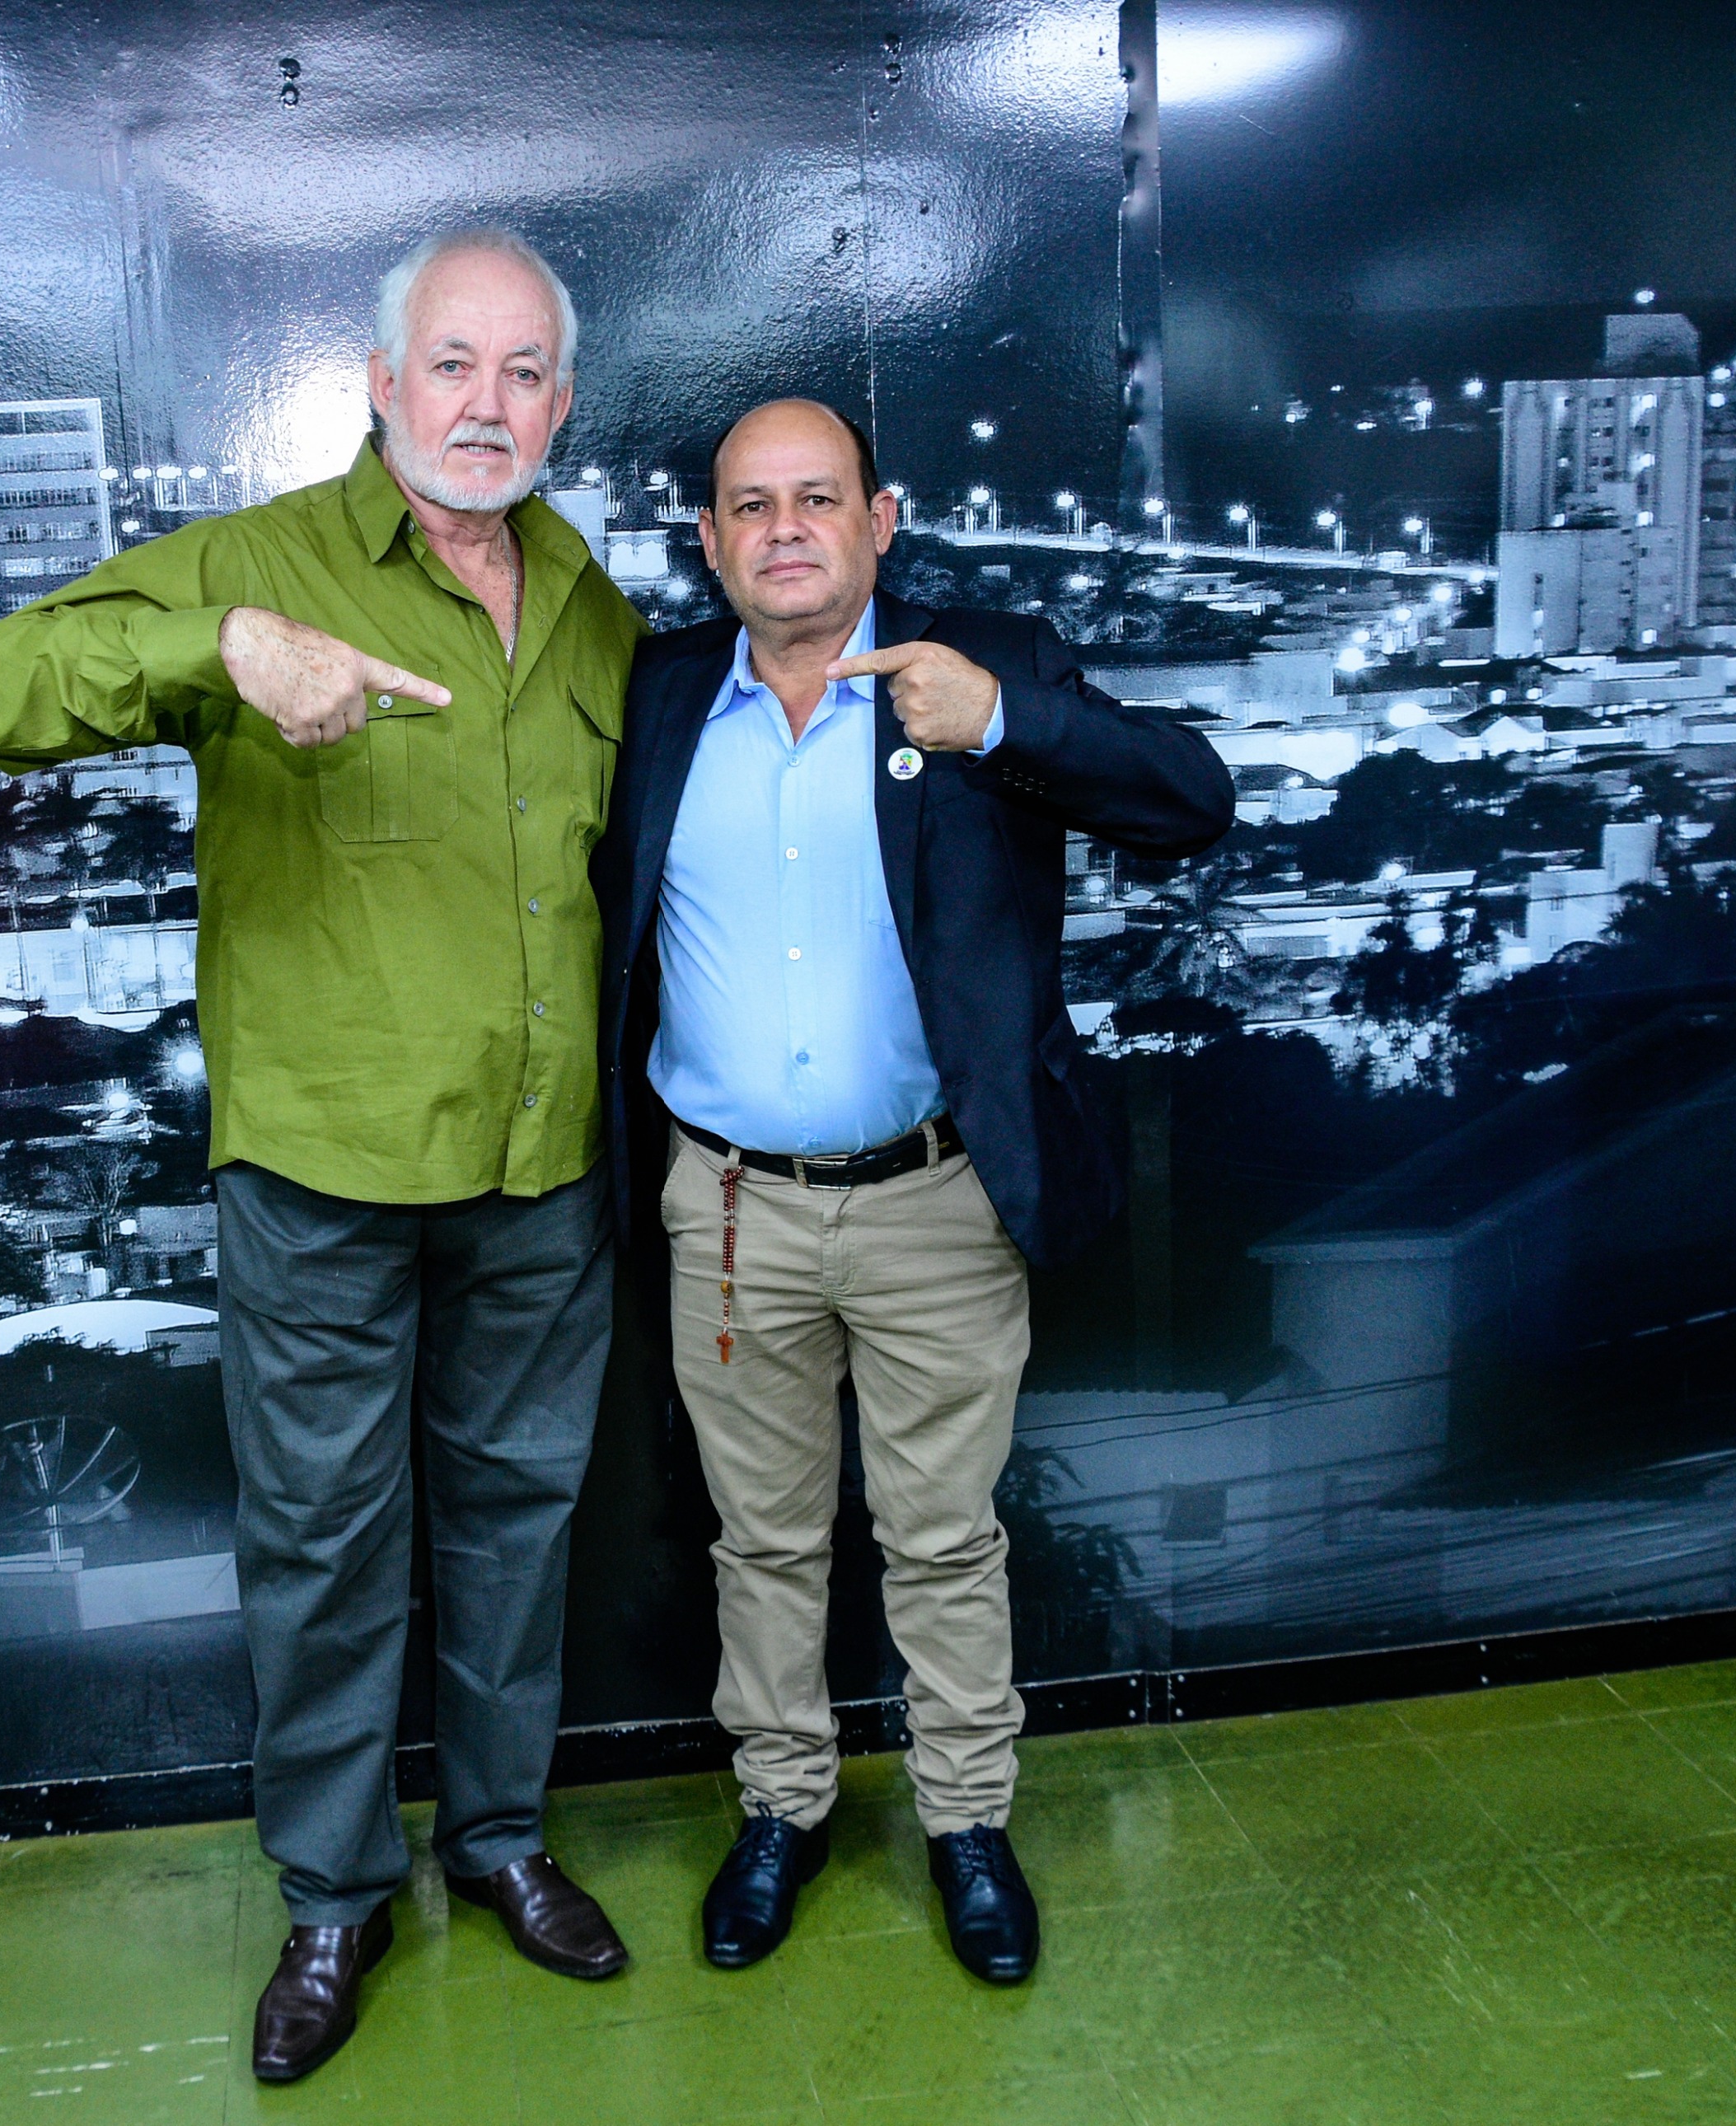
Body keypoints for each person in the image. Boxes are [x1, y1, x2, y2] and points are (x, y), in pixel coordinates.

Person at [0, 227, 644, 2083]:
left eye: (522, 374)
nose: (485, 405)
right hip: (325, 1173)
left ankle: (499, 1841)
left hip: (540, 1165)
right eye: (452, 365)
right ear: (382, 383)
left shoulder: (588, 598)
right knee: (325, 1553)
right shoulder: (258, 563)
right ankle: (334, 1896)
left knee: (516, 1530)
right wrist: (221, 646)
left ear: (560, 405)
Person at [593, 399, 1234, 1983]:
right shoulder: (661, 692)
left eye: (819, 499)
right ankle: (783, 1807)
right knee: (761, 1539)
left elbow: (1190, 800)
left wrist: (1005, 722)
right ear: (710, 542)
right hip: (727, 1209)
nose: (786, 531)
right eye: (753, 506)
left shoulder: (981, 662)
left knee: (944, 1539)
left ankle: (966, 1821)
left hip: (936, 1200)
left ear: (881, 521)